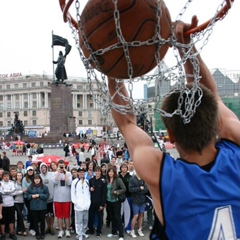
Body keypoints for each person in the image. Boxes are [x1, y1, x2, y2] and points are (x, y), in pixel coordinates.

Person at [107, 15, 240, 239]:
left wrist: (113, 64)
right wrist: (186, 46)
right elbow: (213, 98)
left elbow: (127, 122)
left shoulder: (162, 175)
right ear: (217, 122)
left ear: (169, 134)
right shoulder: (236, 154)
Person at [26, 174, 50, 240]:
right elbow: (27, 196)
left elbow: (47, 196)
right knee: (35, 221)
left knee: (42, 221)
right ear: (33, 180)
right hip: (33, 207)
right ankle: (37, 233)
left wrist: (39, 195)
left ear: (40, 180)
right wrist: (31, 196)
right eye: (35, 179)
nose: (37, 180)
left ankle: (42, 233)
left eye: (38, 179)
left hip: (42, 207)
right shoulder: (30, 187)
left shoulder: (44, 187)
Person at [53, 159, 72, 238]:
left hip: (67, 198)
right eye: (60, 165)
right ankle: (60, 230)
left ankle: (67, 229)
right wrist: (58, 172)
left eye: (62, 165)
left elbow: (69, 183)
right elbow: (55, 182)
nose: (61, 167)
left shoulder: (68, 173)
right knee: (59, 215)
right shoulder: (55, 173)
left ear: (65, 165)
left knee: (67, 215)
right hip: (57, 198)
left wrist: (65, 172)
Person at [86, 166, 107, 237]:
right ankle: (91, 229)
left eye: (99, 171)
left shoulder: (103, 181)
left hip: (99, 203)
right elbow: (88, 190)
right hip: (92, 202)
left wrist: (102, 204)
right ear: (94, 172)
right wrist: (90, 188)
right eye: (96, 171)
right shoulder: (91, 180)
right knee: (90, 217)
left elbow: (104, 193)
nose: (97, 172)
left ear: (101, 172)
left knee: (100, 218)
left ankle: (99, 231)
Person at [106, 167, 126, 240]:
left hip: (116, 201)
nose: (110, 173)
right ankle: (113, 232)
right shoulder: (107, 180)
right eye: (109, 172)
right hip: (109, 201)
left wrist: (117, 192)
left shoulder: (118, 180)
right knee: (112, 217)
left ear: (114, 173)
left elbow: (124, 188)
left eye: (112, 172)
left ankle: (121, 235)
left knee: (118, 217)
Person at [71, 167, 91, 240]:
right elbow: (72, 193)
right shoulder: (74, 182)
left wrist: (88, 203)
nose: (81, 173)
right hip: (78, 206)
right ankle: (79, 234)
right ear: (78, 173)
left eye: (83, 172)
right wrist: (76, 203)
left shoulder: (87, 181)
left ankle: (83, 232)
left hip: (86, 205)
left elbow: (88, 193)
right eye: (80, 172)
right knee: (79, 221)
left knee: (85, 220)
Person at [128, 172, 148, 238]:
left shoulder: (144, 179)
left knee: (141, 215)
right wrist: (139, 188)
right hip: (135, 201)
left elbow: (146, 189)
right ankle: (132, 231)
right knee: (136, 215)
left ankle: (140, 229)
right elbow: (130, 189)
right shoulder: (132, 179)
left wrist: (139, 190)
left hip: (142, 200)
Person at [0, 171, 17, 240]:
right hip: (3, 205)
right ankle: (3, 234)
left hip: (11, 204)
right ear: (2, 177)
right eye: (4, 176)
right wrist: (9, 192)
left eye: (7, 176)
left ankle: (11, 233)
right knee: (2, 220)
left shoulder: (12, 183)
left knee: (11, 220)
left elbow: (14, 192)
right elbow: (1, 193)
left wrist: (6, 192)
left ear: (9, 176)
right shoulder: (0, 183)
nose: (6, 177)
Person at [40, 163, 55, 236]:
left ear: (46, 168)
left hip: (51, 198)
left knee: (51, 214)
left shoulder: (51, 175)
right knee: (46, 214)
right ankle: (47, 226)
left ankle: (51, 226)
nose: (43, 169)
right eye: (42, 167)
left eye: (44, 167)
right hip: (43, 199)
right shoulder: (39, 176)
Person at [13, 172, 27, 236]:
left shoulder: (23, 183)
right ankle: (23, 229)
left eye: (20, 175)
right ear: (16, 176)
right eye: (18, 175)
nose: (19, 177)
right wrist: (22, 191)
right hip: (15, 202)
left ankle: (19, 230)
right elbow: (14, 192)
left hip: (21, 201)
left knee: (19, 216)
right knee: (20, 214)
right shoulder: (14, 183)